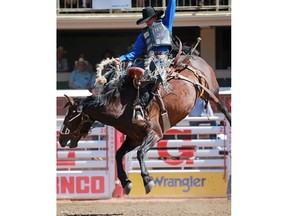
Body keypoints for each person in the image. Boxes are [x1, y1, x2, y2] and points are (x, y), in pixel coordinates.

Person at [114, 0, 176, 124]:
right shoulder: (143, 34)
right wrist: (120, 59)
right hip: (150, 60)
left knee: (145, 78)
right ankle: (136, 107)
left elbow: (171, 8)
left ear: (155, 17)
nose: (147, 22)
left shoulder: (166, 23)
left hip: (164, 59)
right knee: (132, 77)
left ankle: (139, 107)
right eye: (146, 20)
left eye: (148, 19)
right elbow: (134, 53)